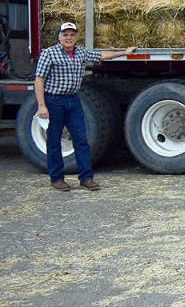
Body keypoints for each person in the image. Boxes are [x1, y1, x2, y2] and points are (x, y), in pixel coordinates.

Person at [34, 21, 136, 191]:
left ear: (76, 37)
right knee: (54, 141)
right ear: (59, 37)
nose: (68, 38)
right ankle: (57, 179)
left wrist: (124, 52)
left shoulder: (81, 52)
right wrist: (42, 105)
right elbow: (39, 80)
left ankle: (86, 178)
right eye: (65, 35)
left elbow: (102, 55)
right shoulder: (49, 54)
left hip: (73, 101)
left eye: (72, 35)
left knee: (81, 140)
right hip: (54, 101)